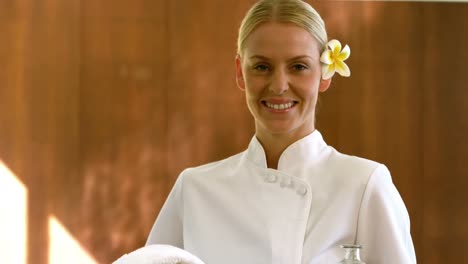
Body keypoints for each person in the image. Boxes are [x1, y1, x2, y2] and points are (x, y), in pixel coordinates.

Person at [146, 0, 416, 263]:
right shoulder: (194, 190)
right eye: (262, 67)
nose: (279, 85)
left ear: (325, 73)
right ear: (241, 73)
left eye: (298, 67)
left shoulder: (364, 186)